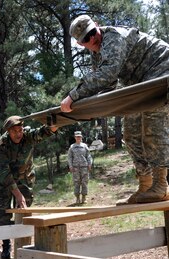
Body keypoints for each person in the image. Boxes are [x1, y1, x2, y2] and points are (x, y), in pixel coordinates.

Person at [60, 14, 169, 205]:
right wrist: (83, 107)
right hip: (141, 84)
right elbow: (105, 85)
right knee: (131, 133)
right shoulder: (97, 53)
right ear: (80, 43)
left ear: (97, 26)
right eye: (86, 38)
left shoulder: (113, 37)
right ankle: (146, 184)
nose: (92, 38)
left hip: (162, 71)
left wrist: (73, 96)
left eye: (93, 32)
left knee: (151, 127)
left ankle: (161, 185)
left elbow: (107, 74)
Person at [0, 115, 58, 259]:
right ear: (8, 131)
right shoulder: (0, 145)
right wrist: (16, 193)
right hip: (5, 181)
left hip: (24, 178)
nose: (19, 134)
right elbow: (3, 172)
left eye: (20, 130)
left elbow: (44, 132)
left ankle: (23, 245)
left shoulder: (28, 135)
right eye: (14, 131)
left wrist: (55, 124)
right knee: (2, 211)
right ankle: (6, 243)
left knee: (24, 210)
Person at [68, 131, 92, 204]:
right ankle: (77, 198)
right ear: (75, 137)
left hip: (84, 167)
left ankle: (84, 198)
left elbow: (88, 156)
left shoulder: (84, 146)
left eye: (80, 136)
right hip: (75, 168)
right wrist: (70, 166)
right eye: (77, 137)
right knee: (76, 183)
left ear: (81, 137)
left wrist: (90, 164)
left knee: (84, 182)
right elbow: (69, 157)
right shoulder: (72, 147)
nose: (78, 138)